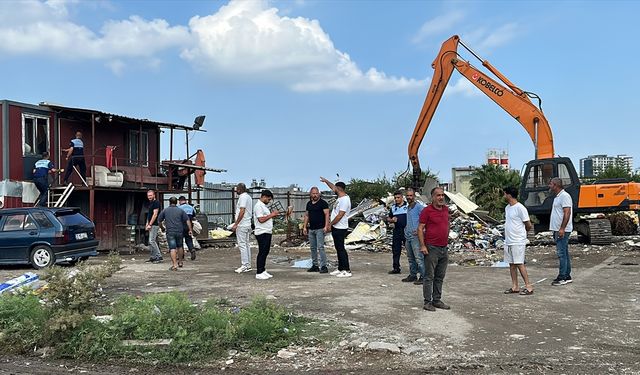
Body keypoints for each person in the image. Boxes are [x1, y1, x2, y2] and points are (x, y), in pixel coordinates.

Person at [418, 187, 451, 312]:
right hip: (431, 248)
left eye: (442, 195)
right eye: (438, 195)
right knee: (429, 276)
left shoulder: (446, 210)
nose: (441, 197)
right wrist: (422, 245)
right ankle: (427, 302)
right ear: (433, 197)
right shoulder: (427, 211)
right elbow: (420, 228)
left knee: (440, 276)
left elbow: (447, 224)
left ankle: (437, 300)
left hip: (444, 248)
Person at [502, 186, 534, 295]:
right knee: (512, 264)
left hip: (517, 240)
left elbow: (528, 224)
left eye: (505, 193)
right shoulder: (507, 208)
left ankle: (528, 286)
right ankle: (515, 286)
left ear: (509, 195)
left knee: (520, 263)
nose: (504, 195)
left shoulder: (520, 208)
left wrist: (522, 235)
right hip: (509, 240)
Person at [320, 177, 352, 278]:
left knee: (341, 249)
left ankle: (346, 269)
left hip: (340, 227)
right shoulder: (340, 198)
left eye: (335, 188)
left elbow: (340, 215)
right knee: (338, 248)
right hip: (336, 226)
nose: (333, 190)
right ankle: (340, 268)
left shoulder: (345, 200)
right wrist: (326, 181)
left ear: (339, 189)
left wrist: (330, 224)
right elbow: (332, 186)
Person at [548, 177, 573, 286]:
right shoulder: (557, 197)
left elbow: (567, 213)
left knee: (561, 254)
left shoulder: (564, 196)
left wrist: (562, 228)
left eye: (551, 184)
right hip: (557, 229)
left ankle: (562, 277)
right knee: (564, 253)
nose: (549, 186)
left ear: (556, 185)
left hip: (562, 230)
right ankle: (567, 275)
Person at [158, 197, 192, 271]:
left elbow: (159, 221)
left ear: (169, 202)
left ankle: (174, 265)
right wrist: (190, 230)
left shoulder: (165, 210)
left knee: (172, 248)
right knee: (180, 246)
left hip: (170, 232)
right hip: (179, 231)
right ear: (176, 202)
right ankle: (180, 262)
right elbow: (187, 221)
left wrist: (162, 228)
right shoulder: (181, 210)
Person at [303, 186, 330, 273]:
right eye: (313, 193)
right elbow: (307, 215)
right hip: (311, 229)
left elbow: (327, 215)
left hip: (320, 229)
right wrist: (304, 227)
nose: (315, 195)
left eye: (316, 193)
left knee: (321, 247)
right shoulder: (309, 204)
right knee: (312, 248)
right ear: (310, 194)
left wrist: (326, 226)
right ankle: (315, 265)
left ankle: (323, 266)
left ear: (319, 194)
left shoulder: (323, 203)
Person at [253, 190, 280, 280]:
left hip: (267, 231)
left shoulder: (263, 206)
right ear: (264, 197)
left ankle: (263, 270)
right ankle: (259, 272)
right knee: (262, 252)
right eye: (268, 199)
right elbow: (261, 219)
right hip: (261, 232)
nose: (269, 201)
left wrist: (271, 215)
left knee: (265, 251)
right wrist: (272, 214)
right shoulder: (258, 206)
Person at [402, 188, 426, 284]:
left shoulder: (419, 207)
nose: (409, 197)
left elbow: (426, 220)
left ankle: (423, 276)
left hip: (416, 237)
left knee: (419, 258)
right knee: (410, 258)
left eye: (411, 196)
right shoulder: (408, 207)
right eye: (407, 196)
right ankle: (413, 275)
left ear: (414, 197)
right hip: (408, 236)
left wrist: (422, 230)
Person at [231, 183, 253, 273]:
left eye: (237, 189)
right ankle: (248, 265)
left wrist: (236, 224)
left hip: (242, 225)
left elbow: (242, 211)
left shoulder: (243, 197)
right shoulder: (248, 197)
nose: (236, 191)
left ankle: (244, 265)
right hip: (247, 224)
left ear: (240, 189)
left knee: (242, 245)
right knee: (247, 245)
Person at [387, 191, 407, 274]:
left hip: (406, 230)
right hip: (397, 230)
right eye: (395, 198)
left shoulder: (408, 206)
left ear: (402, 197)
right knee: (396, 250)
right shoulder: (393, 207)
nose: (396, 199)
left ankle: (415, 269)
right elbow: (388, 218)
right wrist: (391, 220)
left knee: (411, 250)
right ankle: (396, 268)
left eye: (398, 197)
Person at [145, 189, 162, 263]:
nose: (149, 197)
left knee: (152, 241)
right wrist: (147, 224)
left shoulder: (156, 203)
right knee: (151, 241)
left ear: (154, 195)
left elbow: (155, 214)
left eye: (151, 195)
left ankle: (158, 256)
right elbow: (149, 215)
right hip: (151, 224)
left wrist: (150, 224)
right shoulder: (150, 203)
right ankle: (153, 257)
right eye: (148, 195)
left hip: (155, 224)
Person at [178, 196, 197, 261]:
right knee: (188, 239)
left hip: (181, 226)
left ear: (180, 201)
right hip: (189, 226)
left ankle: (181, 255)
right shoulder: (191, 207)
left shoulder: (179, 208)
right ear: (185, 201)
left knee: (180, 241)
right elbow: (194, 216)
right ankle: (192, 249)